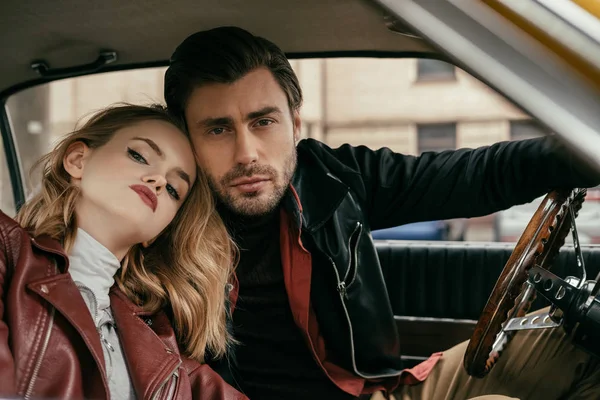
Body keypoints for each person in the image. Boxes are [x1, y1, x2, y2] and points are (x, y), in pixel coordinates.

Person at [164, 27, 600, 400]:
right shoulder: (159, 224)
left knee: (584, 345)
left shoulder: (333, 178)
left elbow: (478, 175)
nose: (247, 153)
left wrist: (588, 147)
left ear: (295, 124)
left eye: (263, 122)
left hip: (376, 391)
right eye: (218, 129)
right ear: (186, 138)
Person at [0, 104, 247, 400]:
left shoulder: (162, 346)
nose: (158, 180)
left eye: (173, 189)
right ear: (78, 160)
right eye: (139, 156)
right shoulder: (7, 253)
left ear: (158, 231)